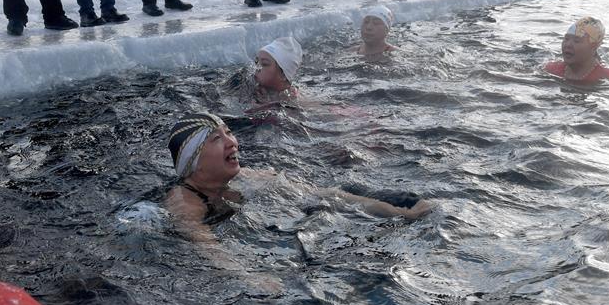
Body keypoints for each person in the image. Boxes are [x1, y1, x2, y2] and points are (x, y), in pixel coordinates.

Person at [165, 113, 431, 237]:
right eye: (216, 138)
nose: (231, 142)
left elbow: (328, 197)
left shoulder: (247, 177)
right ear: (195, 161)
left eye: (229, 132)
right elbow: (207, 249)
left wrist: (400, 213)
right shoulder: (185, 203)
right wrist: (251, 278)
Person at [544, 17, 609, 84]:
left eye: (576, 41)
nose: (568, 45)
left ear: (593, 47)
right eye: (566, 39)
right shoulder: (550, 69)